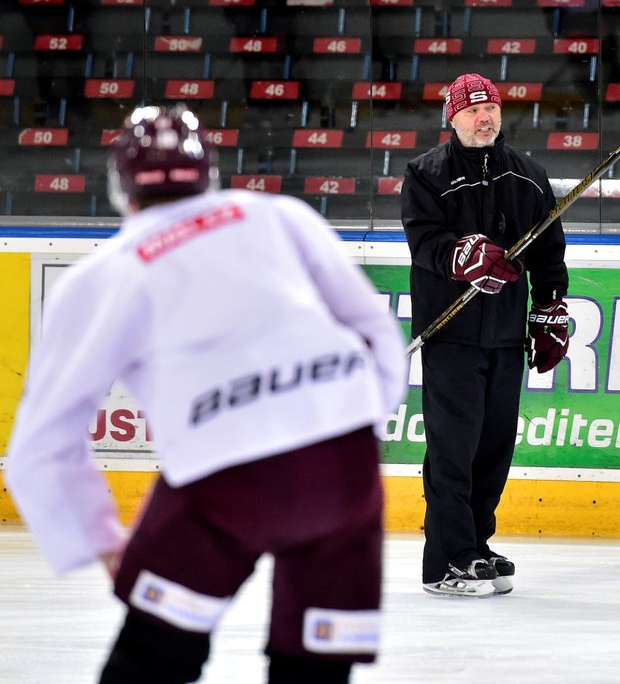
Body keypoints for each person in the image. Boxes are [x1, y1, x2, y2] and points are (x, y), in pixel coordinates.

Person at [4, 105, 407, 684]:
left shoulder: (105, 274)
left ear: (122, 188)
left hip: (226, 480)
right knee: (316, 666)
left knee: (154, 655)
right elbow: (375, 332)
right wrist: (357, 423)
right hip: (342, 466)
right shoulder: (278, 216)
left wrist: (103, 542)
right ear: (208, 173)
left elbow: (43, 442)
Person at [401, 73, 570, 598]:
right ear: (451, 118)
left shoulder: (530, 175)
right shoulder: (426, 173)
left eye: (490, 108)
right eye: (472, 110)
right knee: (453, 449)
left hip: (503, 337)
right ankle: (446, 561)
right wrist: (462, 255)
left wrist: (548, 310)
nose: (483, 117)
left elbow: (548, 253)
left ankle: (475, 543)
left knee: (493, 447)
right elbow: (424, 241)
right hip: (450, 331)